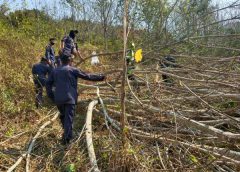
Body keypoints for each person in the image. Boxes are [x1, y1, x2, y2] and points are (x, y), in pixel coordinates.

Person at [46, 55, 105, 144]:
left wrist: (51, 96)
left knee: (63, 116)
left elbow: (48, 84)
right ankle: (67, 140)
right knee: (69, 119)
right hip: (70, 99)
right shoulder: (73, 70)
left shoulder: (55, 71)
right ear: (70, 61)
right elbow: (87, 76)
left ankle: (66, 134)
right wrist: (101, 77)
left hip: (58, 99)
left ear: (61, 61)